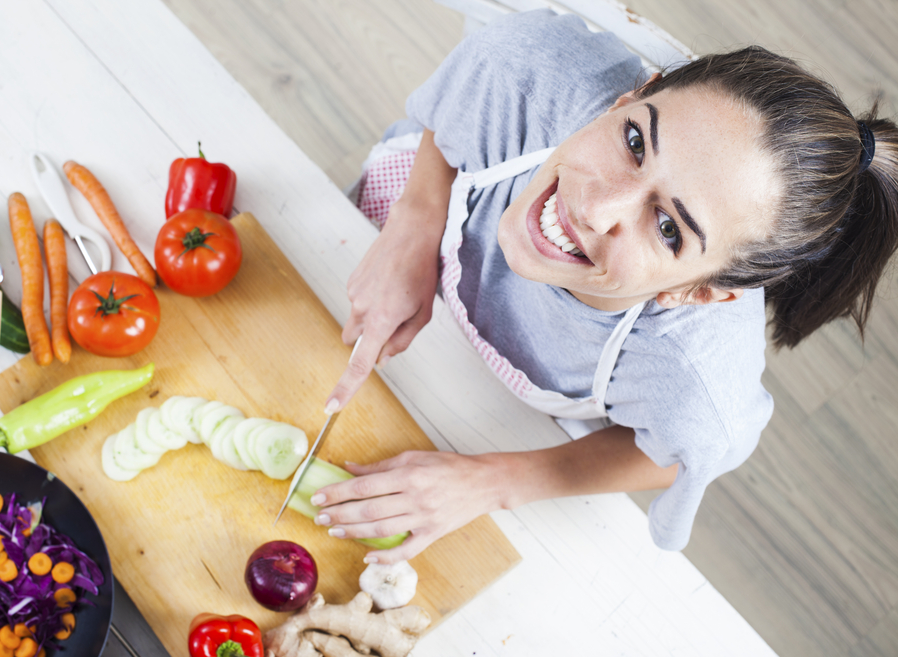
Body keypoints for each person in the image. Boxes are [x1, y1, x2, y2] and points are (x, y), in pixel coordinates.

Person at [307, 9, 898, 563]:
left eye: (669, 228)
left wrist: (493, 480)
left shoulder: (695, 384)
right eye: (636, 141)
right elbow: (466, 98)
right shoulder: (531, 64)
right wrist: (415, 223)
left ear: (702, 292)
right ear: (634, 93)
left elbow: (668, 460)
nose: (592, 207)